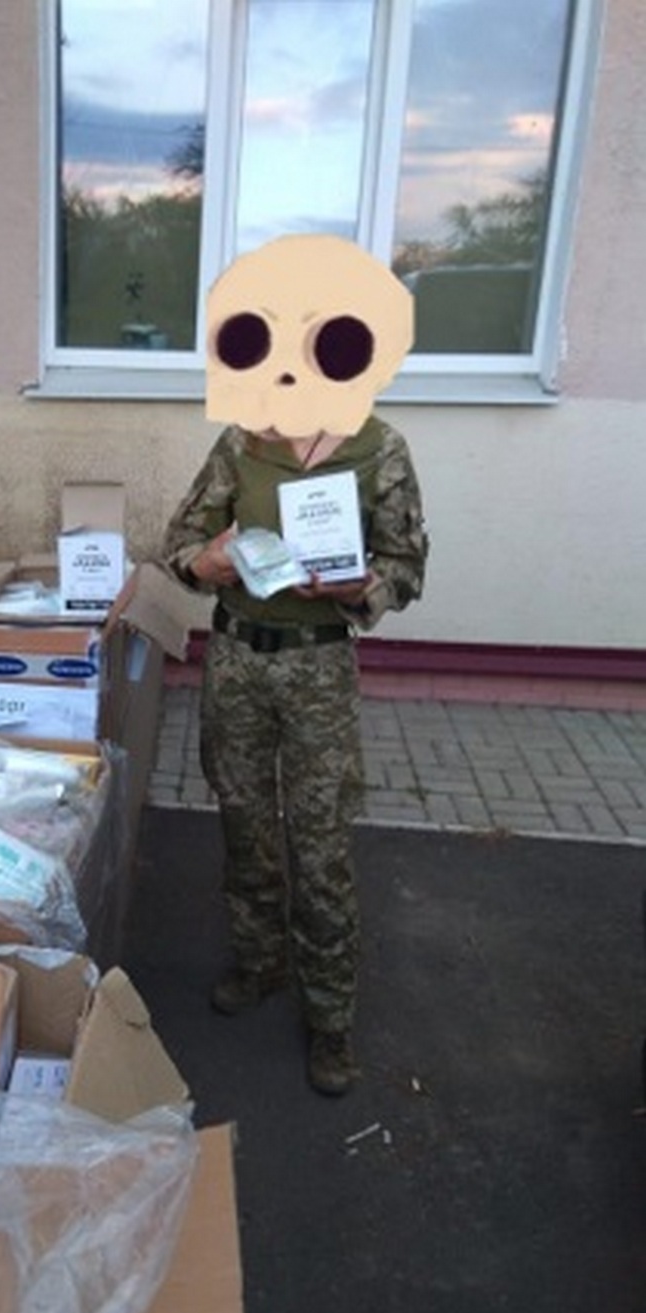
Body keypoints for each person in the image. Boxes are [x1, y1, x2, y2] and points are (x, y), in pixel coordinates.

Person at [162, 415, 427, 1096]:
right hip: (237, 658)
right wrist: (205, 563)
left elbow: (405, 566)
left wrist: (356, 587)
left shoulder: (380, 448)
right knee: (244, 823)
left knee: (320, 845)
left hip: (318, 668)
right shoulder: (243, 440)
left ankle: (330, 1016)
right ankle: (260, 962)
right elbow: (180, 542)